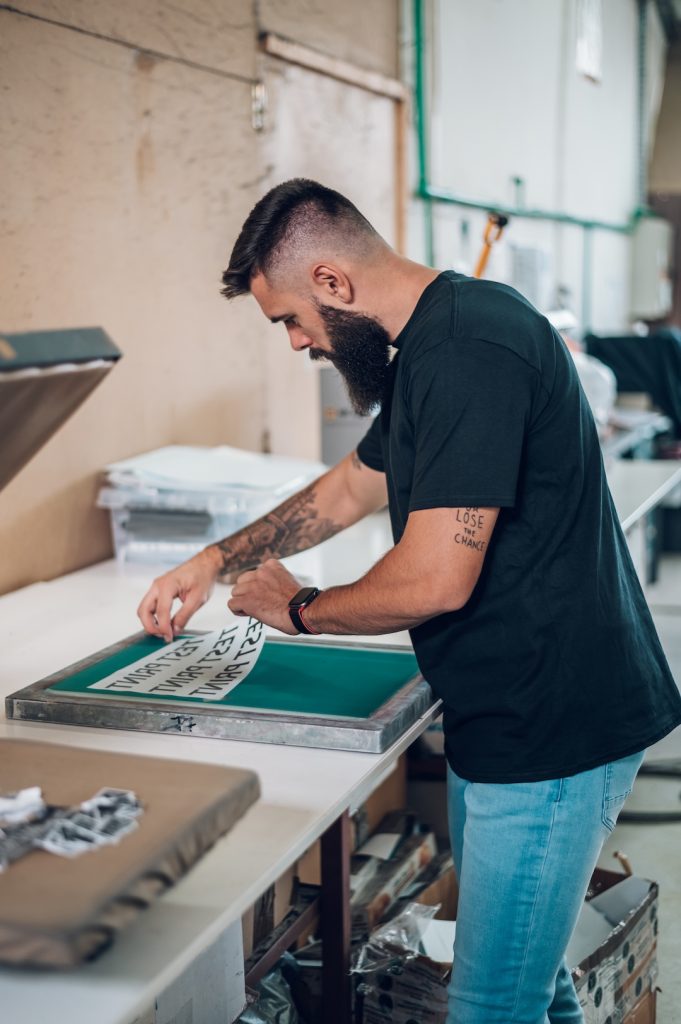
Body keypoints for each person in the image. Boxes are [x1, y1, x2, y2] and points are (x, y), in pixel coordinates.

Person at [137, 179, 681, 1024]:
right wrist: (213, 561)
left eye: (290, 320)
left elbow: (434, 578)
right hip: (504, 706)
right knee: (533, 987)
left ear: (332, 282)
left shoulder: (468, 350)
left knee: (491, 1005)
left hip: (552, 721)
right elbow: (350, 488)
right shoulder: (432, 343)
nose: (296, 342)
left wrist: (301, 608)